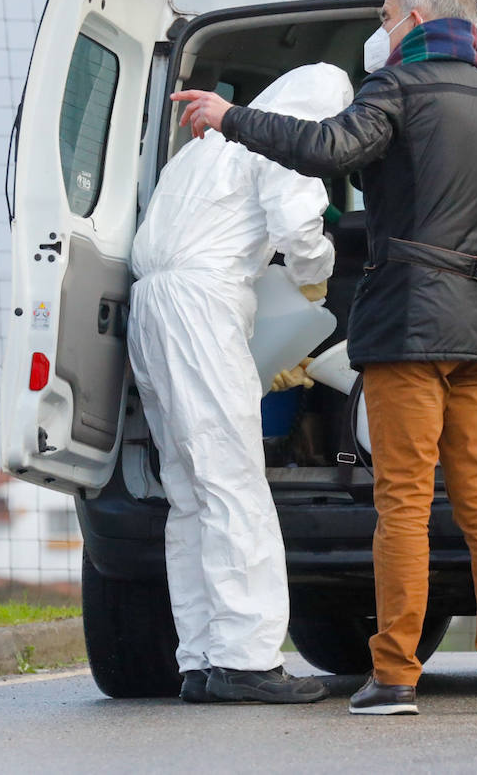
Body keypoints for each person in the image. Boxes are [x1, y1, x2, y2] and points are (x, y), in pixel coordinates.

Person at [172, 0, 477, 715]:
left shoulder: (400, 90)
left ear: (415, 19)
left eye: (386, 17)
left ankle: (394, 677)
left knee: (406, 502)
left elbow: (329, 148)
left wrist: (232, 117)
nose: (380, 32)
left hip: (409, 329)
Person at [129, 63, 353, 704]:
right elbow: (298, 224)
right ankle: (247, 659)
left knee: (189, 487)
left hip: (155, 305)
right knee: (232, 478)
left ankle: (201, 656)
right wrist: (318, 271)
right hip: (203, 305)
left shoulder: (201, 152)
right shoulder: (281, 137)